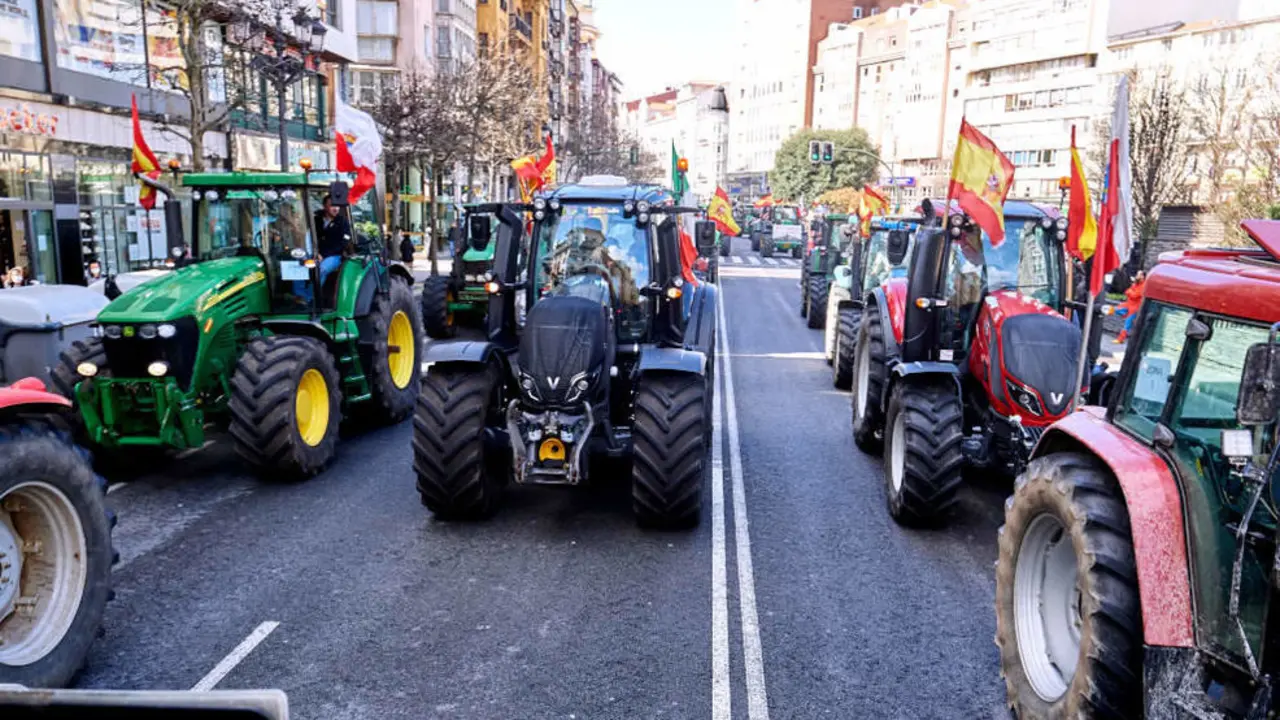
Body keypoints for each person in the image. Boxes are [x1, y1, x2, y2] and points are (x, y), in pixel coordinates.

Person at [317, 195, 351, 288]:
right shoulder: (316, 219)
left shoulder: (343, 221)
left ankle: (310, 298)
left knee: (321, 269)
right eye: (332, 205)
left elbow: (343, 243)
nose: (336, 208)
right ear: (324, 206)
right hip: (316, 254)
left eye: (337, 206)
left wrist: (323, 255)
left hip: (335, 256)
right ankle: (298, 296)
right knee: (299, 266)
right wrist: (316, 253)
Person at [1114, 270, 1146, 343]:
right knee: (1116, 309)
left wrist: (1130, 292)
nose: (1136, 276)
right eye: (1137, 274)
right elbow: (1127, 291)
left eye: (1138, 275)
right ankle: (1124, 314)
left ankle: (1120, 339)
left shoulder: (1143, 286)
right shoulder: (1135, 284)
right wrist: (1130, 292)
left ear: (1142, 276)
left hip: (1134, 308)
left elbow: (1134, 295)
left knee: (1127, 324)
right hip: (1128, 304)